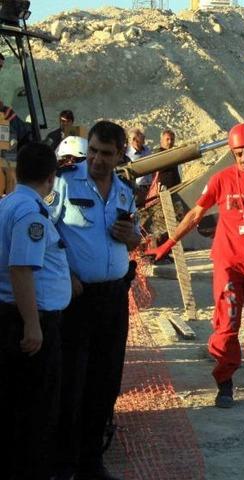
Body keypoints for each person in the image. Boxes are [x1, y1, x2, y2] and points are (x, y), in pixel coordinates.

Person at [148, 123, 244, 408]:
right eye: (238, 154)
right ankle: (224, 381)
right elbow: (196, 213)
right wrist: (170, 242)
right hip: (228, 263)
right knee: (227, 321)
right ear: (232, 153)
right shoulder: (221, 179)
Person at [49, 121, 141, 480]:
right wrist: (65, 275)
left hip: (114, 298)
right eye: (93, 152)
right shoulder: (64, 183)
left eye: (106, 153)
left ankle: (91, 461)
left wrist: (131, 236)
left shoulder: (124, 191)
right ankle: (63, 463)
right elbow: (48, 233)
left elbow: (134, 239)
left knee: (105, 381)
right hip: (76, 299)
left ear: (120, 154)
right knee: (71, 382)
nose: (98, 160)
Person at [0, 143, 70, 480]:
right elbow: (21, 269)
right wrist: (32, 325)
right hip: (30, 322)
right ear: (50, 178)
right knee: (36, 409)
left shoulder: (10, 202)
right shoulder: (30, 213)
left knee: (18, 406)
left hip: (16, 317)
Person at [127, 127, 153, 206]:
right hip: (137, 188)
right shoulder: (127, 153)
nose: (144, 138)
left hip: (150, 186)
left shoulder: (147, 150)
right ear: (135, 139)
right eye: (142, 136)